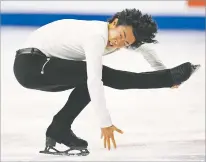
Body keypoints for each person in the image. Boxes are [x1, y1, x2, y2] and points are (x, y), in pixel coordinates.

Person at [13, 8, 199, 152]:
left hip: (43, 68)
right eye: (121, 36)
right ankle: (166, 78)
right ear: (114, 22)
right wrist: (105, 123)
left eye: (126, 44)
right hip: (31, 66)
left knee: (89, 79)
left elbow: (145, 49)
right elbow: (95, 79)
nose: (119, 43)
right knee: (100, 76)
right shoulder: (96, 35)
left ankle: (59, 129)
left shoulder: (117, 35)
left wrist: (162, 71)